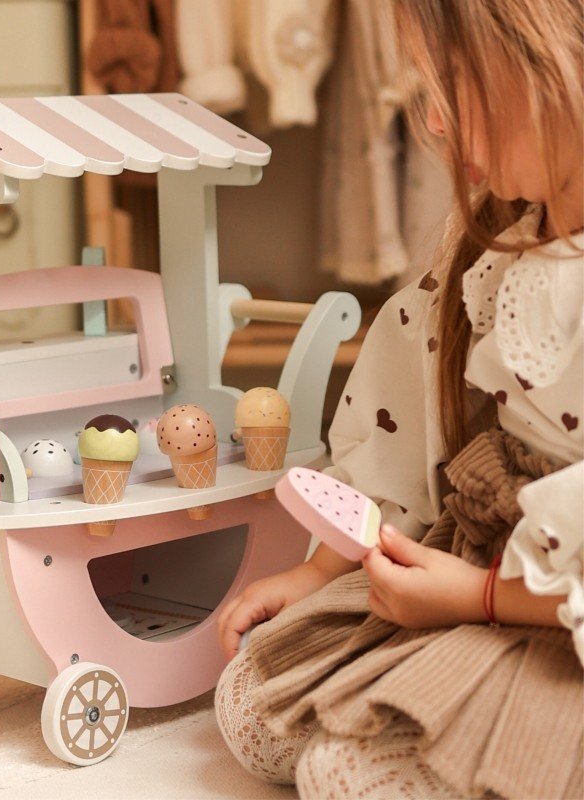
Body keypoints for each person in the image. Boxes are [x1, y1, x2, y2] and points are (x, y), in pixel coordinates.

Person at [214, 1, 583, 797]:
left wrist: (485, 599)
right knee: (252, 708)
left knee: (344, 772)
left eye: (455, 86)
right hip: (479, 562)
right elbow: (405, 409)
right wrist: (323, 572)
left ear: (555, 62)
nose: (437, 126)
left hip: (557, 609)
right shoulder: (496, 235)